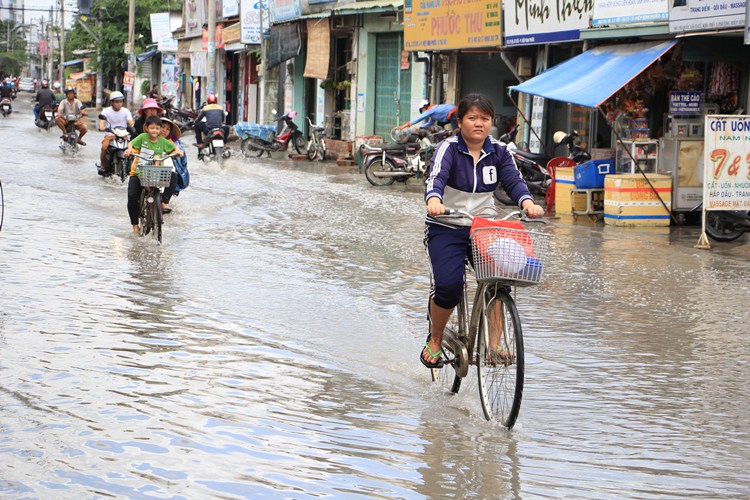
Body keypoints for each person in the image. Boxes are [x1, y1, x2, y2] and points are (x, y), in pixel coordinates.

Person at [420, 93, 544, 369]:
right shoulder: (448, 149)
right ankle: (436, 338)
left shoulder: (499, 151)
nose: (479, 123)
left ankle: (496, 344)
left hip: (483, 228)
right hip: (446, 226)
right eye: (472, 118)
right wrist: (434, 201)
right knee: (449, 287)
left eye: (485, 118)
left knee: (500, 279)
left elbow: (514, 181)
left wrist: (527, 203)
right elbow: (436, 177)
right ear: (461, 121)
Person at [124, 116, 184, 235]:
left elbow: (174, 148)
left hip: (156, 172)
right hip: (138, 172)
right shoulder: (142, 138)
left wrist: (178, 152)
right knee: (132, 198)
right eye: (152, 128)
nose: (156, 131)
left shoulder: (164, 142)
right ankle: (135, 226)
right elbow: (131, 145)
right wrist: (129, 150)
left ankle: (163, 203)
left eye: (158, 128)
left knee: (173, 176)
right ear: (147, 128)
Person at [97, 91, 135, 176]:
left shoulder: (126, 111)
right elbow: (101, 124)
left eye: (121, 101)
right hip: (110, 135)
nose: (119, 104)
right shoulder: (106, 111)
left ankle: (132, 166)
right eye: (117, 101)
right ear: (112, 102)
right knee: (104, 147)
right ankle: (103, 165)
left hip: (123, 136)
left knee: (132, 149)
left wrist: (132, 125)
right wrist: (103, 127)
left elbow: (130, 121)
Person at [159, 117, 189, 196]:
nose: (164, 130)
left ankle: (165, 201)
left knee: (173, 175)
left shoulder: (172, 140)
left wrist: (177, 153)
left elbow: (177, 149)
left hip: (167, 162)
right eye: (162, 127)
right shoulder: (150, 138)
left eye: (167, 129)